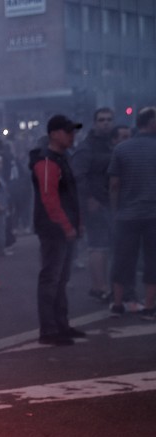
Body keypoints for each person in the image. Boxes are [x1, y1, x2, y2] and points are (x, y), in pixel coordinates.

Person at [29, 115, 85, 346]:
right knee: (53, 279)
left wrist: (74, 224)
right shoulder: (48, 161)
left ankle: (59, 325)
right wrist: (67, 226)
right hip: (54, 229)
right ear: (54, 134)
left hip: (60, 227)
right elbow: (49, 199)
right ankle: (50, 329)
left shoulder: (59, 159)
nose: (72, 135)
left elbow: (64, 197)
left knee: (59, 279)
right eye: (68, 131)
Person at [107, 106, 156, 320]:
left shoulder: (121, 149)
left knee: (122, 259)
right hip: (153, 215)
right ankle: (149, 307)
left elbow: (114, 184)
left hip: (126, 215)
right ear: (151, 123)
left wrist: (115, 211)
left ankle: (118, 304)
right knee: (152, 261)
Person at [72, 108, 115, 303]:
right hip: (95, 202)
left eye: (109, 119)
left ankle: (104, 285)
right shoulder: (87, 147)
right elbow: (78, 175)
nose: (105, 123)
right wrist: (89, 198)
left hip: (109, 201)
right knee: (98, 245)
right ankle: (99, 286)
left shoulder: (110, 144)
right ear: (95, 122)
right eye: (101, 120)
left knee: (106, 245)